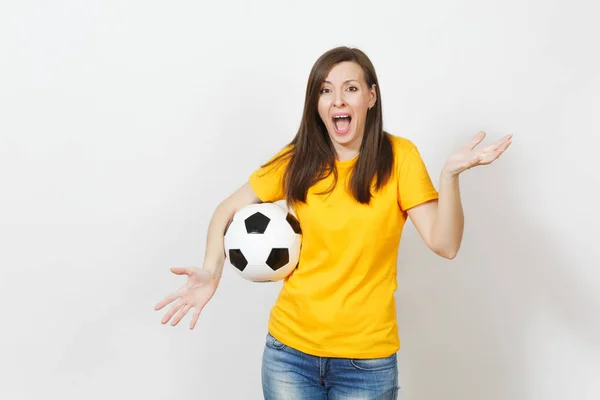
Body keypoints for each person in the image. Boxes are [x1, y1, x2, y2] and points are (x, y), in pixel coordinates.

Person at [155, 46, 512, 399]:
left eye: (351, 88)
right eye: (326, 90)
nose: (338, 100)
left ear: (371, 97)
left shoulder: (399, 158)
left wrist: (450, 177)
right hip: (289, 355)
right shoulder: (298, 160)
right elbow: (226, 210)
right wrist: (211, 270)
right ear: (316, 103)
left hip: (367, 363)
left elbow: (445, 244)